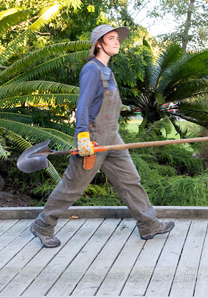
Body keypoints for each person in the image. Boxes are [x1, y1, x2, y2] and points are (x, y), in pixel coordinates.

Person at [29, 24, 175, 248]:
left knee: (130, 180)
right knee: (73, 186)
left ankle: (149, 224)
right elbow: (83, 105)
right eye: (112, 38)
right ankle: (43, 225)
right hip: (94, 138)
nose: (117, 42)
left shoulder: (108, 71)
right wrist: (83, 137)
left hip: (112, 136)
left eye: (118, 39)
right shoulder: (92, 70)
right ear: (99, 43)